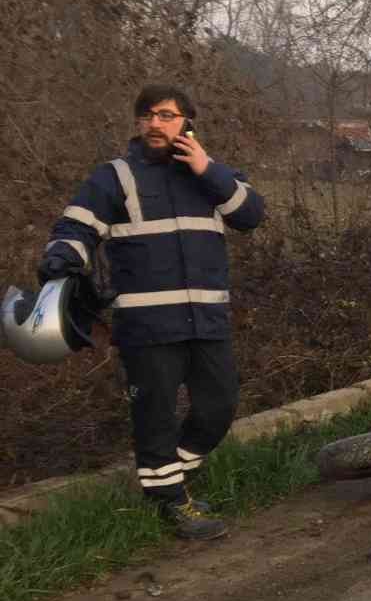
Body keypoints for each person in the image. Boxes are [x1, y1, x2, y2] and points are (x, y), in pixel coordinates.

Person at [38, 84, 266, 539]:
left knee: (219, 407)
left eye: (166, 115)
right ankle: (170, 503)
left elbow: (251, 215)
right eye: (147, 116)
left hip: (208, 321)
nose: (155, 123)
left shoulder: (213, 177)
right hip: (147, 326)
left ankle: (166, 480)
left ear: (188, 123)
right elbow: (76, 227)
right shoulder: (114, 177)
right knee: (155, 417)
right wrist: (61, 258)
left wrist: (207, 169)